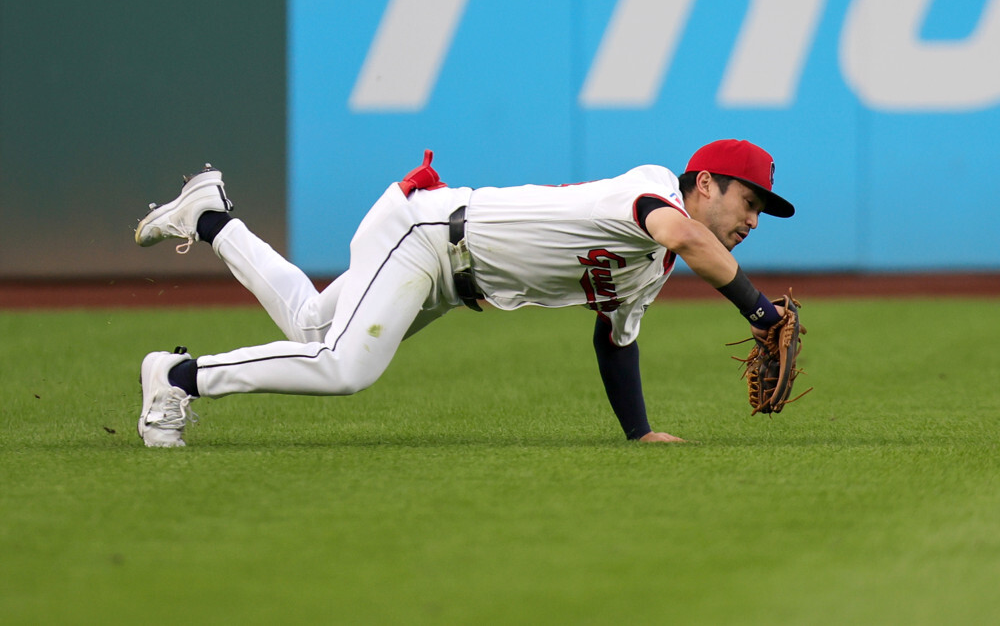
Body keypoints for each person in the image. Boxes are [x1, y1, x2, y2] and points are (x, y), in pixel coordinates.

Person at [134, 139, 795, 447]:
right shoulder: (650, 191)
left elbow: (615, 339)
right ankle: (177, 378)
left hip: (447, 276)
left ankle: (207, 215)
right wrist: (760, 312)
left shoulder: (650, 267)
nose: (753, 219)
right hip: (426, 235)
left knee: (310, 322)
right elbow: (684, 237)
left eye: (762, 210)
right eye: (749, 200)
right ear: (704, 183)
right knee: (343, 366)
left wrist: (639, 432)